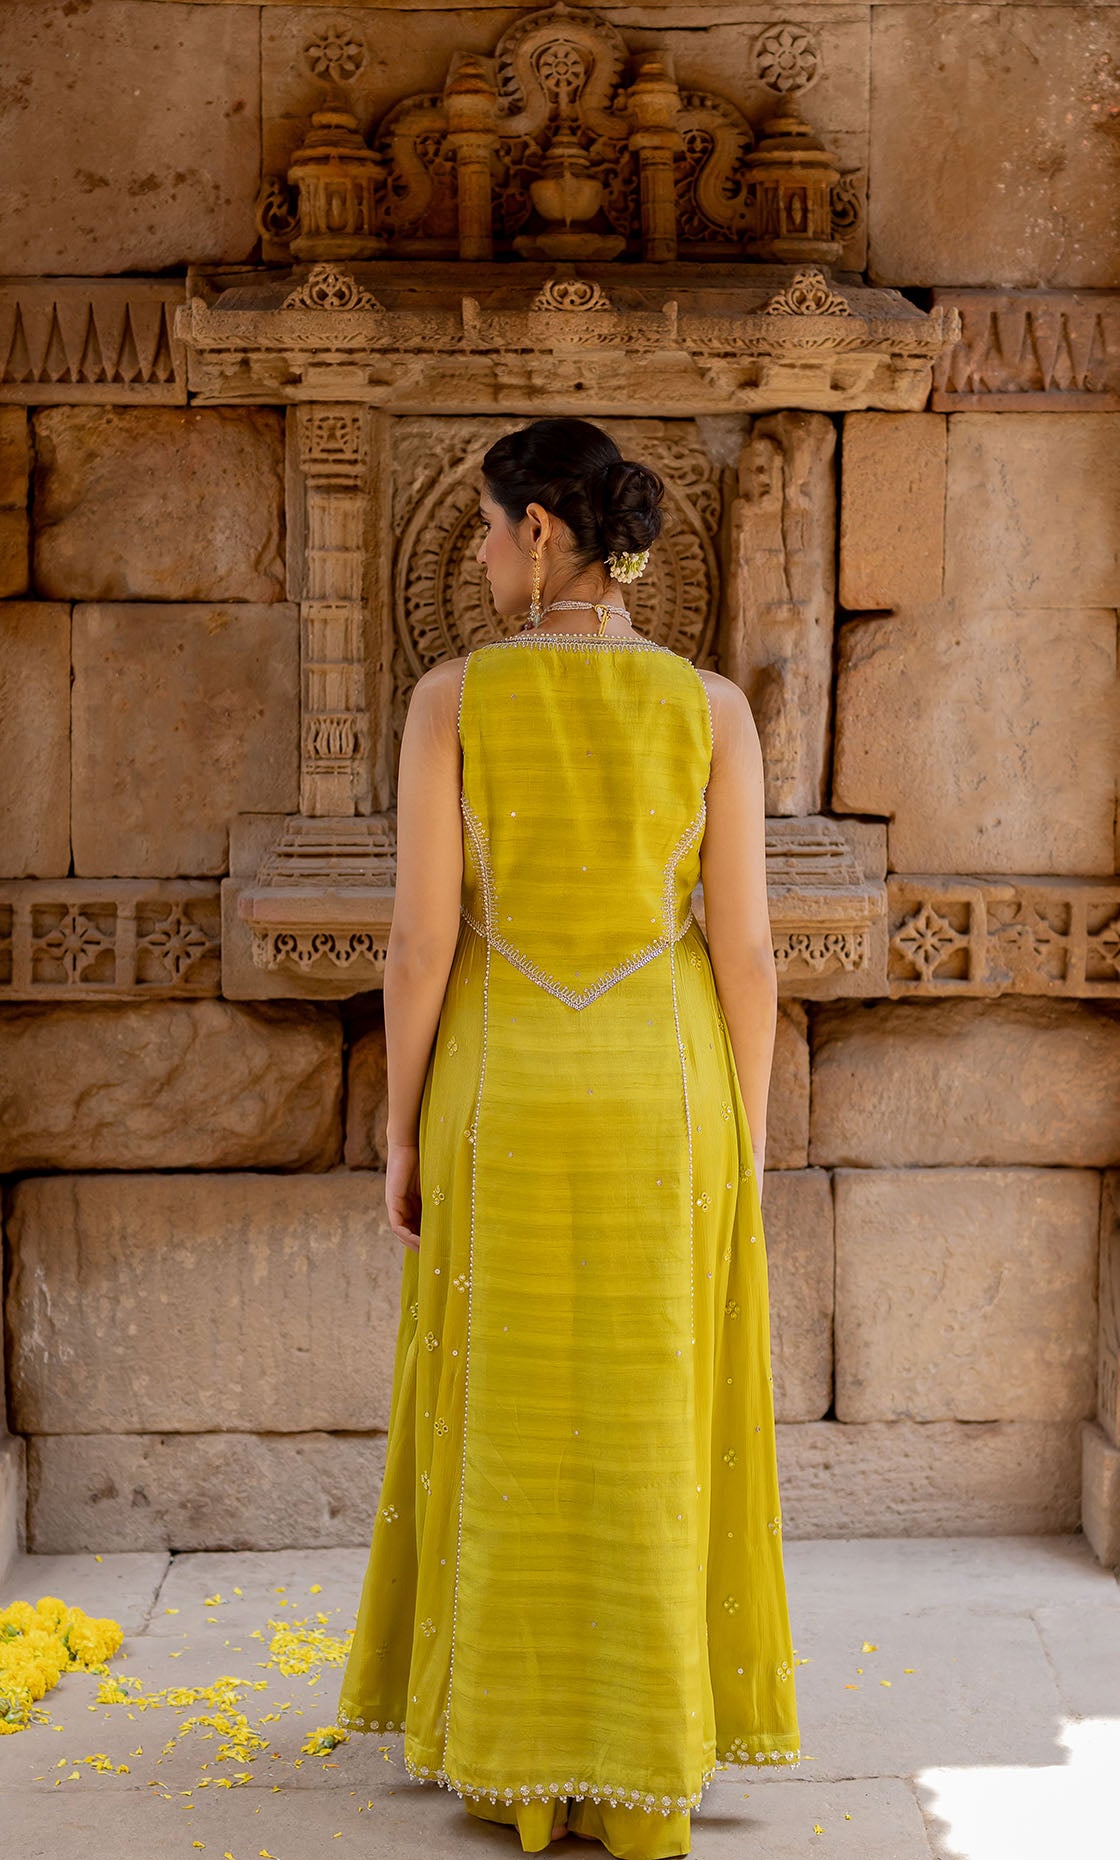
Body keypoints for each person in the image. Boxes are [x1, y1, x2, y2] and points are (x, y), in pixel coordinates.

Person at [334, 417, 801, 1857]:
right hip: (671, 1101)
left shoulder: (452, 701)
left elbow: (419, 948)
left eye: (485, 528)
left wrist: (402, 1134)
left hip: (507, 1096)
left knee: (508, 1405)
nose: (479, 558)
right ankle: (647, 1748)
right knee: (656, 1415)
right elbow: (750, 957)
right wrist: (753, 1140)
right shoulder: (711, 709)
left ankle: (513, 1757)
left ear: (543, 533)